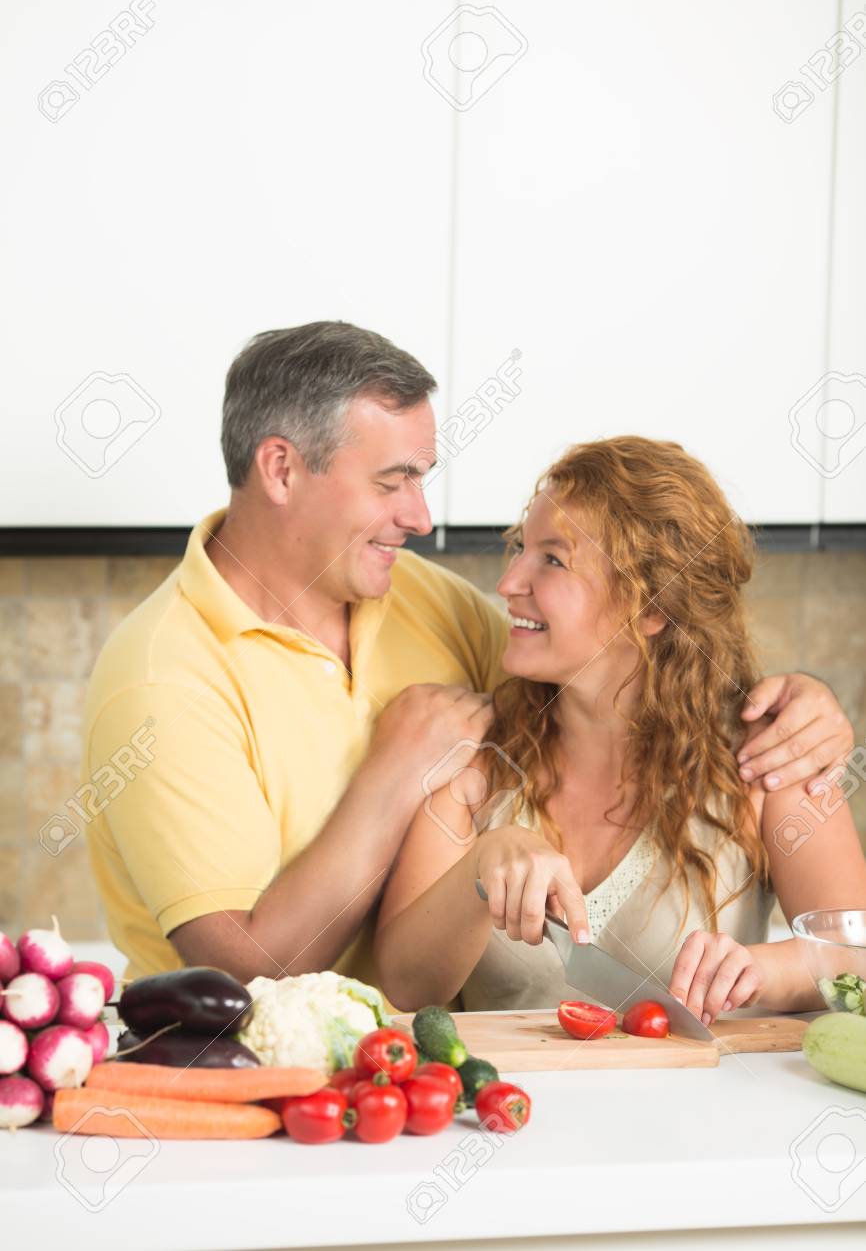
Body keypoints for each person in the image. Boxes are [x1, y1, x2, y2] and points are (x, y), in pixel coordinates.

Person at [82, 323, 853, 995]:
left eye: (422, 479)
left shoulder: (423, 601)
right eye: (393, 482)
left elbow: (600, 659)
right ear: (281, 469)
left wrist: (806, 706)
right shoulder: (165, 677)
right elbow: (245, 977)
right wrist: (393, 776)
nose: (421, 518)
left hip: (420, 1077)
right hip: (241, 1074)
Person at [373, 437, 866, 1022]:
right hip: (505, 1087)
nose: (508, 583)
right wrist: (482, 864)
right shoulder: (473, 759)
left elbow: (857, 961)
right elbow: (407, 985)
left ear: (652, 607)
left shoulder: (768, 760)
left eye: (552, 560)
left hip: (709, 1088)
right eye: (521, 549)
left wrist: (764, 971)